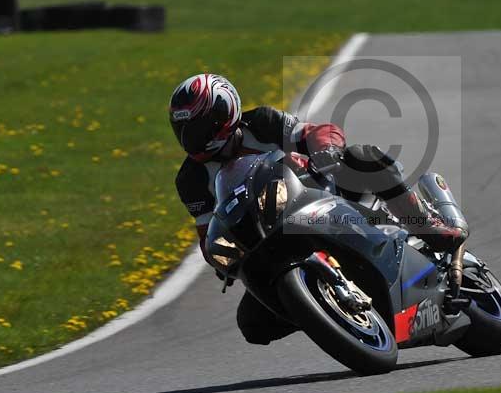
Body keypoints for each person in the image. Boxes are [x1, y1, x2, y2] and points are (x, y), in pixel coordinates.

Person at [169, 73, 467, 344]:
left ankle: (425, 224)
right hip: (268, 240)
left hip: (320, 196)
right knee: (252, 325)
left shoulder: (261, 122)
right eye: (183, 130)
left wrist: (326, 151)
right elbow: (207, 232)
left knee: (363, 156)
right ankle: (324, 309)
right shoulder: (190, 181)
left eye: (197, 128)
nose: (191, 139)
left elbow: (317, 131)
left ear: (224, 113)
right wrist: (221, 255)